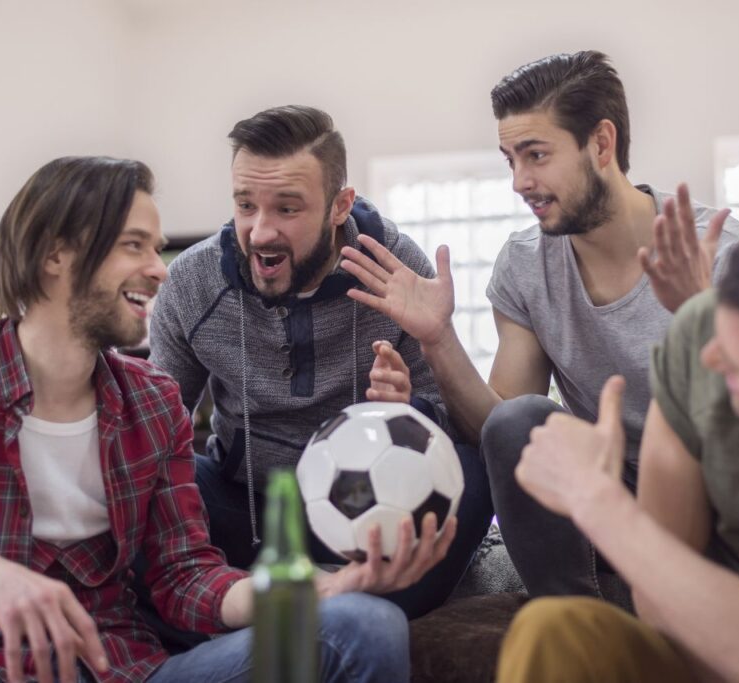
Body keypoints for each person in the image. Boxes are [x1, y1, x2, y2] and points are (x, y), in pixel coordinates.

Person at [0, 156, 453, 683]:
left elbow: (185, 580)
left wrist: (325, 591)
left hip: (123, 667)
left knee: (364, 623)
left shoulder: (153, 401)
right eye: (134, 245)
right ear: (58, 254)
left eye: (155, 248)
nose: (161, 268)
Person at [339, 50, 739, 604]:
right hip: (605, 493)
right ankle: (575, 620)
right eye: (510, 159)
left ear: (601, 144)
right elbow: (503, 427)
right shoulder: (526, 264)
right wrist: (439, 339)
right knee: (519, 419)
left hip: (711, 495)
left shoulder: (722, 256)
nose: (519, 181)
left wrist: (703, 319)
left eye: (536, 155)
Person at [147, 105, 492, 620]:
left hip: (363, 517)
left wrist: (409, 407)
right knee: (158, 479)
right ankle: (309, 610)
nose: (260, 232)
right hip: (245, 509)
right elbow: (154, 425)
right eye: (245, 205)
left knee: (475, 469)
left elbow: (449, 427)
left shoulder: (396, 268)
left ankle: (345, 614)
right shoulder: (193, 284)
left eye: (288, 209)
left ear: (340, 205)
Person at [499, 205, 739, 682]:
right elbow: (655, 602)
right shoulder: (703, 335)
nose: (711, 360)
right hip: (698, 646)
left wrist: (597, 500)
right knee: (552, 631)